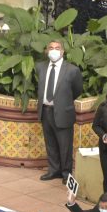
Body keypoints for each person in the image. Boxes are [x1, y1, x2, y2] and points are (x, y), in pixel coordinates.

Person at [36, 40, 83, 181]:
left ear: (62, 51)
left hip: (63, 112)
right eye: (51, 48)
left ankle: (66, 173)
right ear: (46, 51)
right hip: (45, 111)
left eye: (57, 48)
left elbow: (77, 90)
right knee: (50, 143)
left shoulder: (72, 70)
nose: (54, 50)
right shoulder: (40, 67)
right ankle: (53, 170)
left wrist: (63, 102)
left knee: (65, 145)